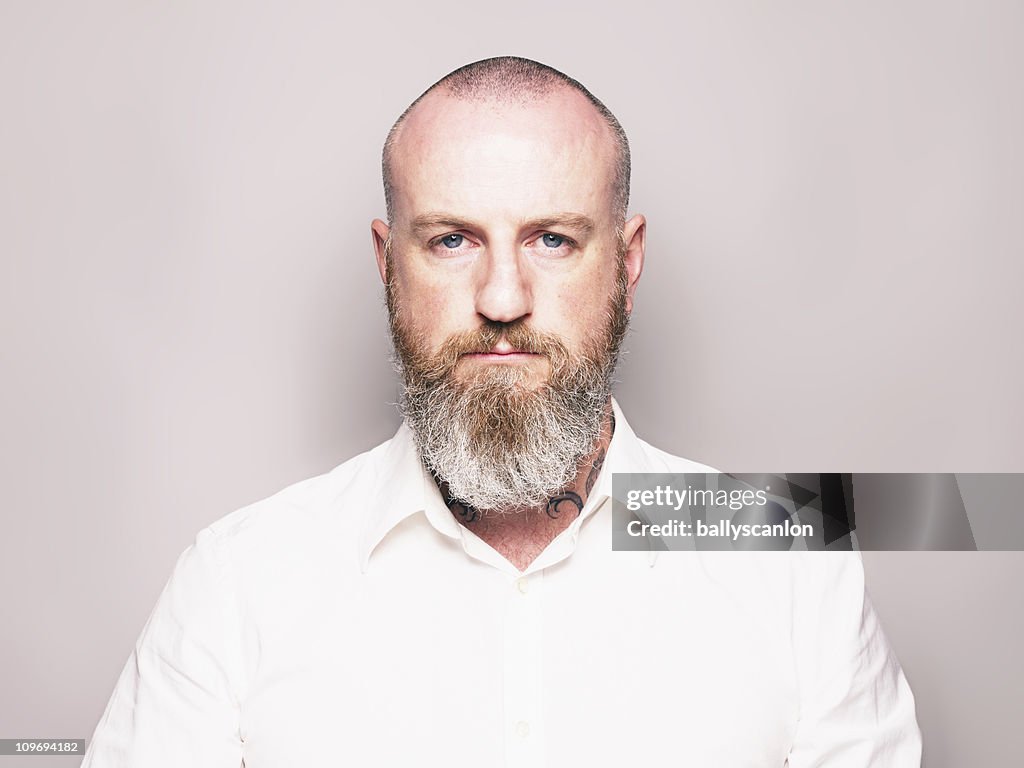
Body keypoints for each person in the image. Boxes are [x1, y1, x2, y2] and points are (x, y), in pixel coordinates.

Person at [81, 56, 921, 767]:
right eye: (453, 240)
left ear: (626, 264)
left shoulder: (794, 574)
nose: (503, 298)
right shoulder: (236, 587)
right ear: (388, 263)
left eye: (551, 239)